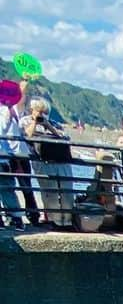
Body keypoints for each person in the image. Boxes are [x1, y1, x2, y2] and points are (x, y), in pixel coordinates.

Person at [21, 98, 75, 230]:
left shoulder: (54, 124)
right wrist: (34, 121)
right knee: (49, 193)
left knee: (66, 191)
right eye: (38, 111)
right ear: (32, 110)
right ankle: (54, 221)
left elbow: (65, 138)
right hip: (42, 161)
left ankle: (67, 222)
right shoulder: (25, 121)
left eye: (44, 111)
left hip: (61, 161)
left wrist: (48, 126)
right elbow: (26, 136)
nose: (41, 114)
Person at [0, 79, 39, 227]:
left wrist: (24, 83)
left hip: (10, 155)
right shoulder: (12, 110)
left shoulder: (6, 111)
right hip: (14, 155)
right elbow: (21, 97)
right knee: (16, 188)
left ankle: (16, 218)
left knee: (11, 187)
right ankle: (20, 218)